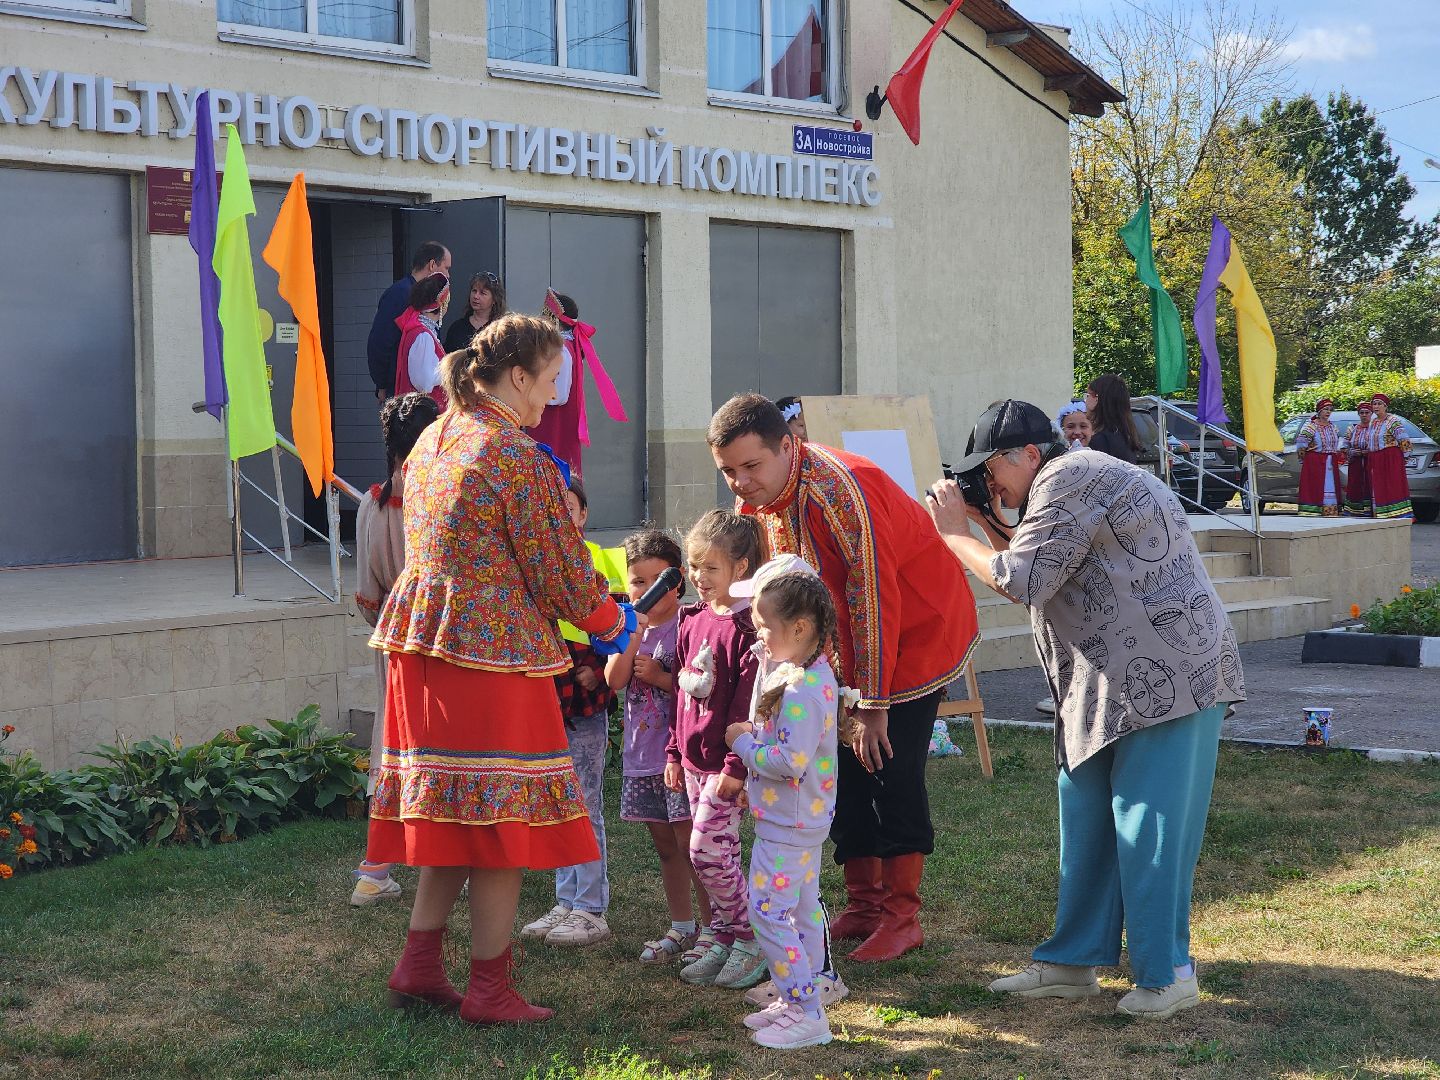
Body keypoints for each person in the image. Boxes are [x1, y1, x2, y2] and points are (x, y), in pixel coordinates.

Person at [926, 399, 1245, 1020]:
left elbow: (1021, 581)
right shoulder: (1067, 481)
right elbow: (1036, 560)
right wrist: (980, 520)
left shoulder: (1069, 477)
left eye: (990, 468)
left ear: (1028, 454)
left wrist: (954, 533)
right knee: (1091, 820)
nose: (986, 482)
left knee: (1146, 828)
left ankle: (1167, 974)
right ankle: (1072, 962)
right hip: (1112, 686)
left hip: (1167, 680)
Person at [367, 313, 634, 1026]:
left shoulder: (434, 436)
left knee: (459, 813)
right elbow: (560, 572)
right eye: (549, 381)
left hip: (423, 650)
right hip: (489, 656)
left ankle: (420, 964)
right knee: (501, 824)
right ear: (517, 376)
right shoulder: (513, 453)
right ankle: (489, 988)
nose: (552, 398)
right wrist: (615, 623)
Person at [708, 393, 979, 964]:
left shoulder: (841, 487)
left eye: (751, 467)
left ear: (787, 445)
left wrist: (872, 704)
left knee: (891, 769)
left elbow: (871, 595)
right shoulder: (767, 495)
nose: (740, 484)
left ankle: (903, 916)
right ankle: (865, 899)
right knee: (839, 769)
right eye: (728, 471)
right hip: (841, 648)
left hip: (916, 631)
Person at [725, 566, 841, 1050]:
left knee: (769, 911)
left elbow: (789, 761)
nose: (759, 635)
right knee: (801, 910)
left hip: (788, 822)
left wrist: (745, 744)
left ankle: (806, 1011)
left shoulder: (801, 691)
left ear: (800, 628)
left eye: (765, 626)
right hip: (802, 818)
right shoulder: (808, 674)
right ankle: (803, 996)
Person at [604, 530, 714, 964]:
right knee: (666, 847)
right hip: (642, 754)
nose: (645, 590)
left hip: (681, 756)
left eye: (656, 580)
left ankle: (715, 929)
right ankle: (683, 926)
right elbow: (614, 681)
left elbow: (703, 690)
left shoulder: (691, 623)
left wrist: (661, 678)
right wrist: (632, 632)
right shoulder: (630, 625)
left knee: (694, 847)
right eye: (636, 581)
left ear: (677, 580)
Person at [350, 391, 441, 907]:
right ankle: (452, 861)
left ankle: (374, 870)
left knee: (392, 748)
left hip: (393, 637)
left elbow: (367, 596)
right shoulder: (441, 498)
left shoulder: (372, 504)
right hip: (445, 641)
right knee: (445, 754)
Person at [668, 510, 764, 988]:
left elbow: (747, 707)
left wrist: (736, 766)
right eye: (693, 566)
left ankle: (751, 936)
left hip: (724, 767)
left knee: (708, 850)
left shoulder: (749, 630)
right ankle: (723, 935)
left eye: (710, 568)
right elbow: (682, 691)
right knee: (710, 852)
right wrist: (672, 751)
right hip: (690, 762)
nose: (698, 577)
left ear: (739, 568)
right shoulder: (692, 620)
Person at [518, 475, 615, 949]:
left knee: (585, 802)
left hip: (583, 699)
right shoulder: (536, 561)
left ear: (583, 515)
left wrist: (597, 668)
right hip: (547, 696)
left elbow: (619, 625)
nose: (560, 516)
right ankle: (566, 900)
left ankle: (591, 907)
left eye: (569, 508)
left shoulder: (596, 560)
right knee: (559, 801)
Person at [526, 289, 628, 475]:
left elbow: (560, 395)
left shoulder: (562, 350)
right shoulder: (564, 347)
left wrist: (529, 396)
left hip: (554, 424)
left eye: (545, 314)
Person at [367, 241, 451, 402]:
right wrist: (382, 384)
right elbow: (380, 341)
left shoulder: (409, 294)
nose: (447, 275)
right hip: (401, 388)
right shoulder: (399, 294)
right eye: (446, 268)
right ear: (432, 264)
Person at [394, 274, 450, 406]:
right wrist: (451, 369)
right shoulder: (422, 336)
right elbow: (424, 383)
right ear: (441, 305)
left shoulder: (421, 330)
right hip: (424, 415)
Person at [1367, 393, 1413, 519]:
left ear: (1385, 406)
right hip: (1376, 459)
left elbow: (1403, 439)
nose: (1376, 406)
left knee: (1392, 485)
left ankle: (1396, 515)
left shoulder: (1393, 421)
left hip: (1390, 458)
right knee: (1379, 486)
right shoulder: (1374, 422)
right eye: (1374, 404)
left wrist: (1405, 457)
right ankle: (1382, 514)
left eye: (1379, 404)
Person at [1296, 398, 1345, 518]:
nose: (1328, 412)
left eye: (1330, 410)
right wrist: (1305, 460)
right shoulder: (1311, 427)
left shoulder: (1333, 427)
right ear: (1319, 411)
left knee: (1330, 485)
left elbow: (1337, 443)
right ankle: (1313, 509)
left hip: (1330, 461)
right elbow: (1301, 445)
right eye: (1325, 410)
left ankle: (1330, 509)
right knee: (1316, 485)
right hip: (1315, 461)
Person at [444, 271, 507, 354]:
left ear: (494, 299)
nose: (476, 296)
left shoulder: (501, 330)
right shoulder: (457, 328)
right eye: (474, 291)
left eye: (482, 293)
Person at [1084, 375, 1142, 464]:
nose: (1085, 401)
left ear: (1097, 398)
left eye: (1087, 395)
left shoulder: (1100, 441)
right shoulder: (1125, 436)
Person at [1343, 401, 1375, 517]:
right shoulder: (1352, 428)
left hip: (1370, 463)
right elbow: (1344, 446)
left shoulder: (1375, 428)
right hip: (1355, 463)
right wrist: (1351, 452)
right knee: (1355, 485)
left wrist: (1369, 452)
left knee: (1370, 485)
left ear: (1371, 414)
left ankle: (1370, 510)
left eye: (1367, 412)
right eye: (1362, 413)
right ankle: (1354, 511)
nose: (1364, 415)